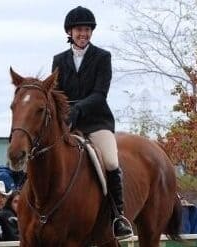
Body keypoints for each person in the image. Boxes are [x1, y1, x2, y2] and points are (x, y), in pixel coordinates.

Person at [52, 6, 133, 239]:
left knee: (110, 160)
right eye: (79, 29)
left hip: (97, 121)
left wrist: (77, 108)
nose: (83, 33)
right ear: (70, 31)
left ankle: (118, 216)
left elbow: (100, 94)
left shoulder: (102, 57)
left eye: (87, 29)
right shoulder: (59, 60)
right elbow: (56, 94)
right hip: (69, 123)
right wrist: (65, 115)